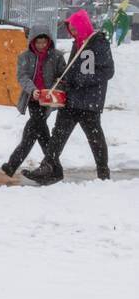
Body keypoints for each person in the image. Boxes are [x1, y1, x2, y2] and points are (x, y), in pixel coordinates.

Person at [25, 10, 114, 185]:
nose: (72, 32)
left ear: (83, 26)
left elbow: (107, 71)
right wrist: (65, 81)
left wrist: (82, 80)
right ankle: (48, 167)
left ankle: (103, 173)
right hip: (72, 99)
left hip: (89, 101)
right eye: (70, 28)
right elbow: (74, 70)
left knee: (95, 138)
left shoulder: (99, 43)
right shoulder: (77, 44)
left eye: (75, 28)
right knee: (58, 134)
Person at [0, 25, 66, 178]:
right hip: (33, 99)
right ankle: (55, 168)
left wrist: (58, 83)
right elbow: (22, 76)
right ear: (32, 42)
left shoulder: (57, 56)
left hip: (48, 99)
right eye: (38, 43)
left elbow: (63, 76)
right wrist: (33, 90)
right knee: (40, 131)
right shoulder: (25, 57)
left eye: (44, 42)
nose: (42, 45)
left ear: (49, 41)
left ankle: (13, 164)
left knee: (33, 129)